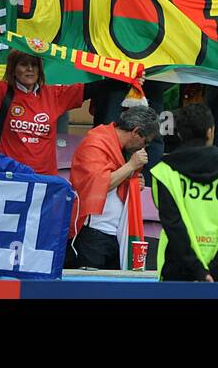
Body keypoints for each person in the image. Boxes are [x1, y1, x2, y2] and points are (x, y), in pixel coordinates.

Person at [151, 103, 218, 281]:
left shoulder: (163, 171)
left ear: (179, 134)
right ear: (210, 132)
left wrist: (198, 270)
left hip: (176, 271)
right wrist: (213, 270)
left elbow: (173, 225)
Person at [68, 105, 161, 270]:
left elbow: (118, 179)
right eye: (145, 142)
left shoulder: (121, 148)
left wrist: (133, 182)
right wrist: (130, 166)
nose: (143, 148)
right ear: (135, 132)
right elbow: (98, 185)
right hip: (92, 234)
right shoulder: (95, 142)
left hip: (117, 234)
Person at [0, 50, 87, 175]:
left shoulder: (54, 94)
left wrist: (108, 67)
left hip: (45, 181)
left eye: (34, 65)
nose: (30, 68)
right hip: (9, 178)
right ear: (13, 70)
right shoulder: (1, 92)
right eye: (24, 64)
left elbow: (93, 88)